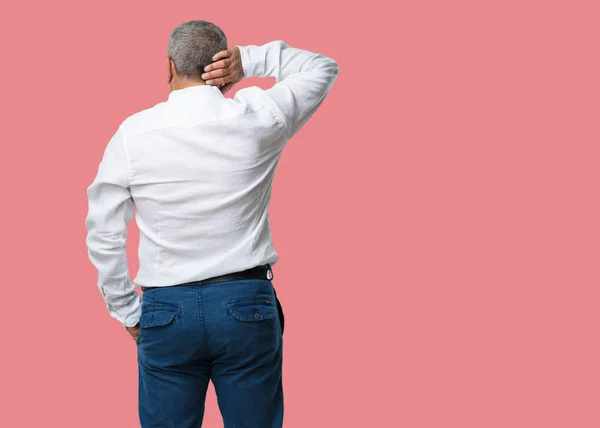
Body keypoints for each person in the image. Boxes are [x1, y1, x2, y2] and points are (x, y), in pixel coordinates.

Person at [85, 19, 339, 428]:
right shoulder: (260, 116)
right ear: (223, 66)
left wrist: (127, 311)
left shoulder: (133, 135)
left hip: (166, 312)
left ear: (169, 67)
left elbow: (104, 232)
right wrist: (251, 59)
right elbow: (322, 67)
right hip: (245, 306)